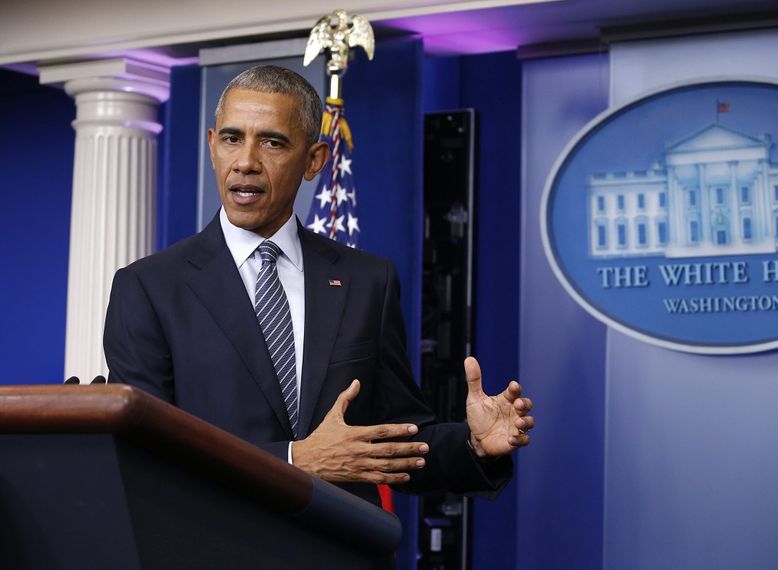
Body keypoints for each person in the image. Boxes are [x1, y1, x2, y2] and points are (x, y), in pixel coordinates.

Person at [103, 65, 533, 505]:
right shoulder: (148, 288)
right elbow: (145, 454)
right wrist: (295, 460)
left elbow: (395, 440)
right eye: (232, 138)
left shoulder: (368, 281)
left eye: (271, 142)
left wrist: (474, 445)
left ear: (314, 160)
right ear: (212, 146)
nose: (246, 161)